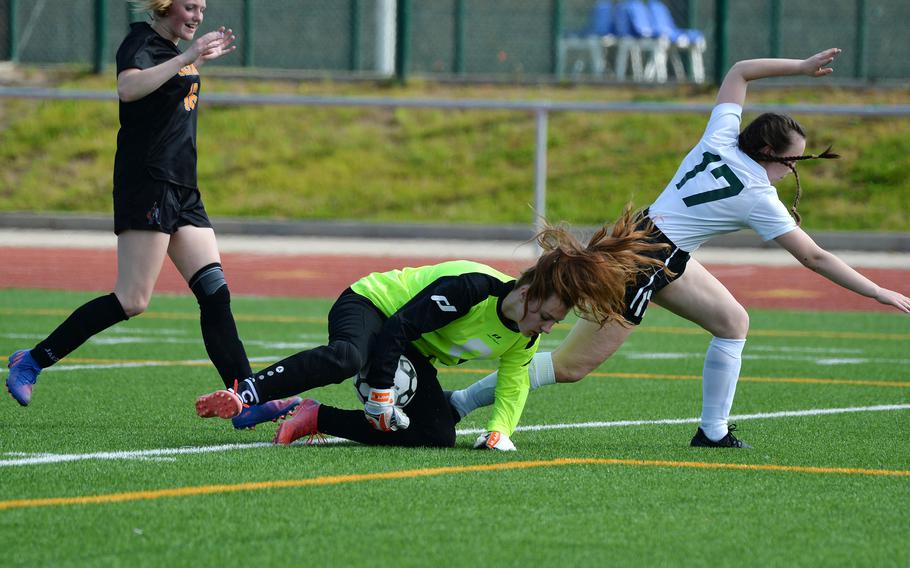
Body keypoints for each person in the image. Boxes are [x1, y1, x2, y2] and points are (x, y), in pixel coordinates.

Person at [447, 47, 910, 448]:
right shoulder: (757, 195)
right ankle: (458, 402)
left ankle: (712, 431)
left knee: (732, 322)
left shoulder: (722, 136)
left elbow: (740, 71)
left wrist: (801, 67)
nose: (793, 170)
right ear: (767, 151)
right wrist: (878, 292)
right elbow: (814, 256)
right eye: (790, 160)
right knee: (570, 367)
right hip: (642, 262)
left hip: (650, 246)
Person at [5, 0, 298, 429]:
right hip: (148, 183)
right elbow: (128, 88)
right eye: (189, 7)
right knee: (132, 300)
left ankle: (245, 398)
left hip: (182, 187)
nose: (197, 16)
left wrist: (193, 58)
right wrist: (188, 57)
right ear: (165, 7)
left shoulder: (179, 52)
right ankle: (32, 362)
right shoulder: (140, 42)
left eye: (201, 8)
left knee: (215, 294)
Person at [194, 209, 669, 450]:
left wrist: (500, 431)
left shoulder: (524, 332)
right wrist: (381, 390)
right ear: (526, 292)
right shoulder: (472, 288)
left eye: (553, 323)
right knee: (347, 357)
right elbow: (397, 327)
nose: (545, 329)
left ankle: (315, 417)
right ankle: (248, 393)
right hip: (371, 306)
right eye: (545, 316)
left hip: (406, 346)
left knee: (437, 434)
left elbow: (514, 382)